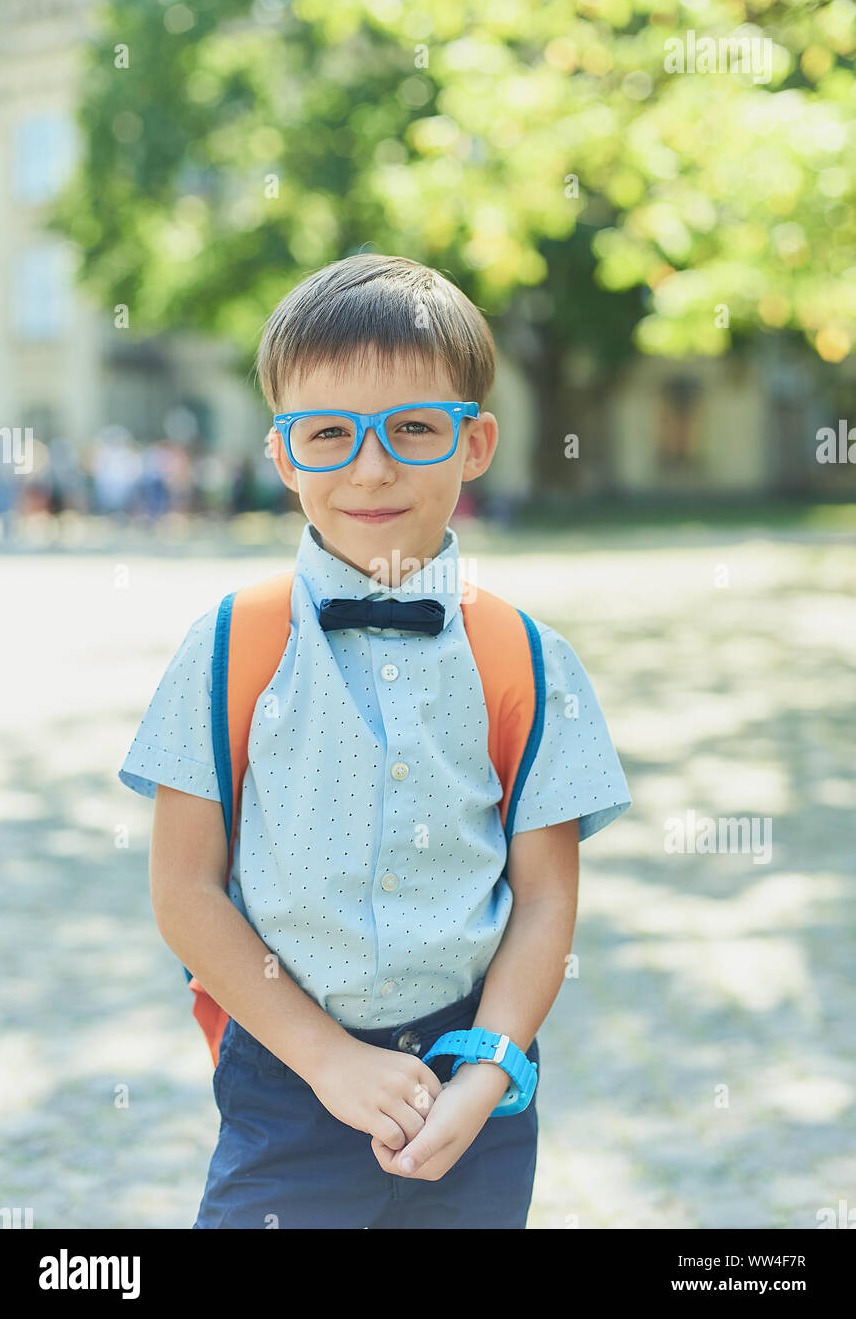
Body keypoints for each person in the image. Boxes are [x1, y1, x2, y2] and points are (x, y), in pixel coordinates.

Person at [117, 254, 631, 1229]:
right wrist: (326, 1056)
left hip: (471, 1074)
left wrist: (493, 1066)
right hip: (287, 1075)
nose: (372, 466)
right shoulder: (232, 643)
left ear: (474, 442)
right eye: (329, 435)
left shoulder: (526, 657)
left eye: (414, 429)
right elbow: (184, 889)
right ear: (282, 454)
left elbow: (545, 895)